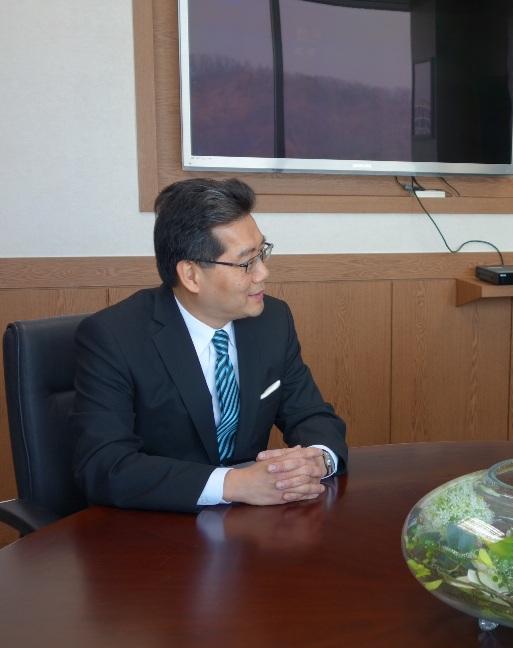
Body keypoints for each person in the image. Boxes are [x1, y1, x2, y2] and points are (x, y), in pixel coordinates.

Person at [71, 178, 348, 512]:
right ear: (191, 275)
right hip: (152, 532)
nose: (263, 272)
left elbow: (310, 413)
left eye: (262, 252)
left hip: (248, 530)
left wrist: (318, 460)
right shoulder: (113, 337)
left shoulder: (272, 320)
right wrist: (234, 484)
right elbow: (104, 465)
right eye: (246, 262)